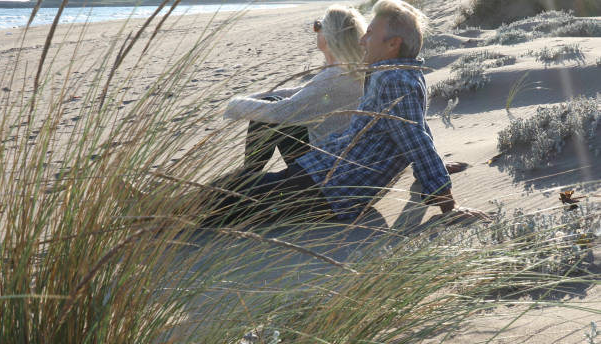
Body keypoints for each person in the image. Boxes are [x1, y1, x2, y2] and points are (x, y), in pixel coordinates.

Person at [202, 0, 487, 226]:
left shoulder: (394, 80)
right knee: (233, 189)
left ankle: (161, 223)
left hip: (329, 191)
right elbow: (416, 129)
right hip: (322, 173)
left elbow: (415, 139)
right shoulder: (399, 73)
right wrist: (434, 169)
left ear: (393, 44)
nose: (363, 40)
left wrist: (449, 204)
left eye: (371, 33)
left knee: (225, 198)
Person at [223, 5, 367, 174]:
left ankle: (247, 176)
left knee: (269, 111)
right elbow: (302, 92)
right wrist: (253, 97)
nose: (316, 30)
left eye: (318, 25)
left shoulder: (333, 78)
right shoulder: (349, 71)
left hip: (324, 167)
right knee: (272, 101)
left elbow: (280, 111)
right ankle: (248, 174)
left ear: (329, 36)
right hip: (338, 158)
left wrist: (234, 105)